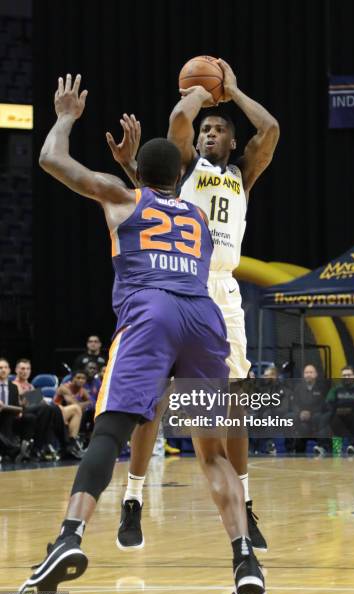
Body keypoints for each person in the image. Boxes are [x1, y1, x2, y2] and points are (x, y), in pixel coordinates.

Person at [16, 74, 264, 594]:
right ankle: (245, 559)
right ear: (183, 173)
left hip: (151, 314)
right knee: (212, 451)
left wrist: (65, 116)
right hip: (203, 318)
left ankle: (70, 537)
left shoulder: (123, 199)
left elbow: (52, 161)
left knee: (108, 432)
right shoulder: (198, 216)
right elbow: (162, 189)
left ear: (137, 175)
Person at [110, 58, 279, 552]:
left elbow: (268, 129)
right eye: (205, 130)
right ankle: (134, 499)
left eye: (218, 130)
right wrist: (203, 92)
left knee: (234, 408)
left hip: (222, 291)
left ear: (231, 143)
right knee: (156, 400)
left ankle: (244, 507)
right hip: (177, 279)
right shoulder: (184, 169)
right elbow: (178, 122)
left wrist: (233, 90)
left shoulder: (243, 174)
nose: (208, 133)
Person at [327, 365, 354, 456]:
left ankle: (353, 446)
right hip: (339, 414)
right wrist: (338, 409)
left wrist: (349, 409)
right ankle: (337, 448)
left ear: (353, 376)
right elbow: (329, 403)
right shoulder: (335, 389)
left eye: (349, 375)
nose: (346, 377)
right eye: (344, 375)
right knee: (334, 420)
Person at [291, 364, 330, 456]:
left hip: (317, 416)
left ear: (316, 374)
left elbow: (323, 404)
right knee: (293, 419)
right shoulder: (298, 388)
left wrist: (310, 413)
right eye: (306, 372)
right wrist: (300, 413)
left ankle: (322, 447)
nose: (308, 374)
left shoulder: (323, 388)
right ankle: (295, 450)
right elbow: (294, 404)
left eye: (311, 372)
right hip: (301, 417)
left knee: (321, 418)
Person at [53, 370, 91, 459]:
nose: (81, 380)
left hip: (66, 415)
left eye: (83, 378)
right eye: (78, 378)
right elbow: (73, 404)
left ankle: (73, 445)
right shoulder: (64, 388)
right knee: (76, 409)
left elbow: (91, 402)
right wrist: (83, 404)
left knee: (84, 413)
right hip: (55, 413)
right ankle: (71, 444)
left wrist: (84, 404)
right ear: (72, 379)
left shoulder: (82, 390)